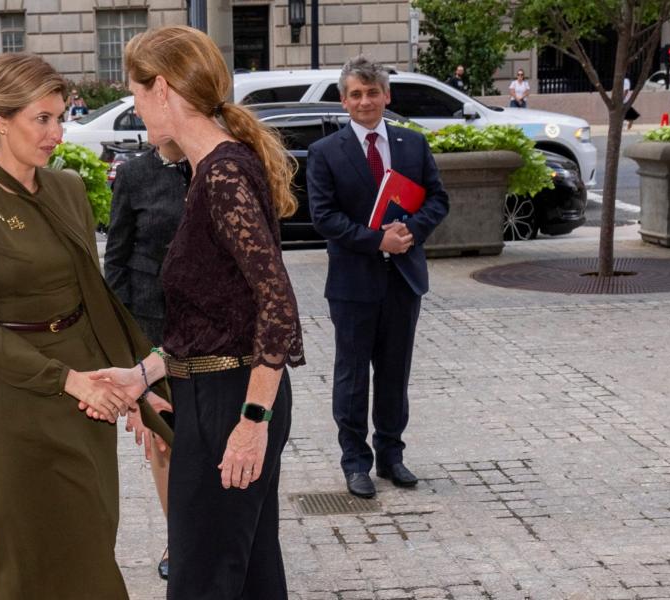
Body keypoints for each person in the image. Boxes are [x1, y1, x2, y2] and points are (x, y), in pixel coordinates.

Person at [0, 52, 169, 600]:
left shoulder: (67, 188)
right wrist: (73, 381)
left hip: (88, 395)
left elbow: (96, 295)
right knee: (32, 566)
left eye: (60, 117)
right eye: (41, 119)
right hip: (15, 404)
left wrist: (139, 384)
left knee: (91, 539)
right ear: (0, 119)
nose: (56, 132)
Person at [95, 24, 306, 600]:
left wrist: (252, 423)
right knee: (251, 579)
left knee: (203, 582)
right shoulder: (212, 169)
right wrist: (141, 374)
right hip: (215, 395)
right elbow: (220, 314)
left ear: (161, 88)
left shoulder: (222, 173)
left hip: (231, 405)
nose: (135, 109)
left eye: (136, 94)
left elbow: (278, 307)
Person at [306, 56, 449, 500]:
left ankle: (391, 457)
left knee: (394, 374)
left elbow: (437, 200)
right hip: (353, 283)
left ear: (387, 96)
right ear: (344, 101)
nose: (365, 101)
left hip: (403, 279)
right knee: (352, 376)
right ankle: (355, 462)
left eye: (372, 92)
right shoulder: (325, 152)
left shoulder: (412, 144)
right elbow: (323, 217)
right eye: (356, 94)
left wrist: (410, 232)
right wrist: (376, 241)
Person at [104, 138, 191, 581]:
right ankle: (180, 540)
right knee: (165, 440)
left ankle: (213, 533)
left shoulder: (215, 163)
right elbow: (115, 262)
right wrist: (124, 346)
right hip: (150, 328)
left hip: (212, 333)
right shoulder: (135, 174)